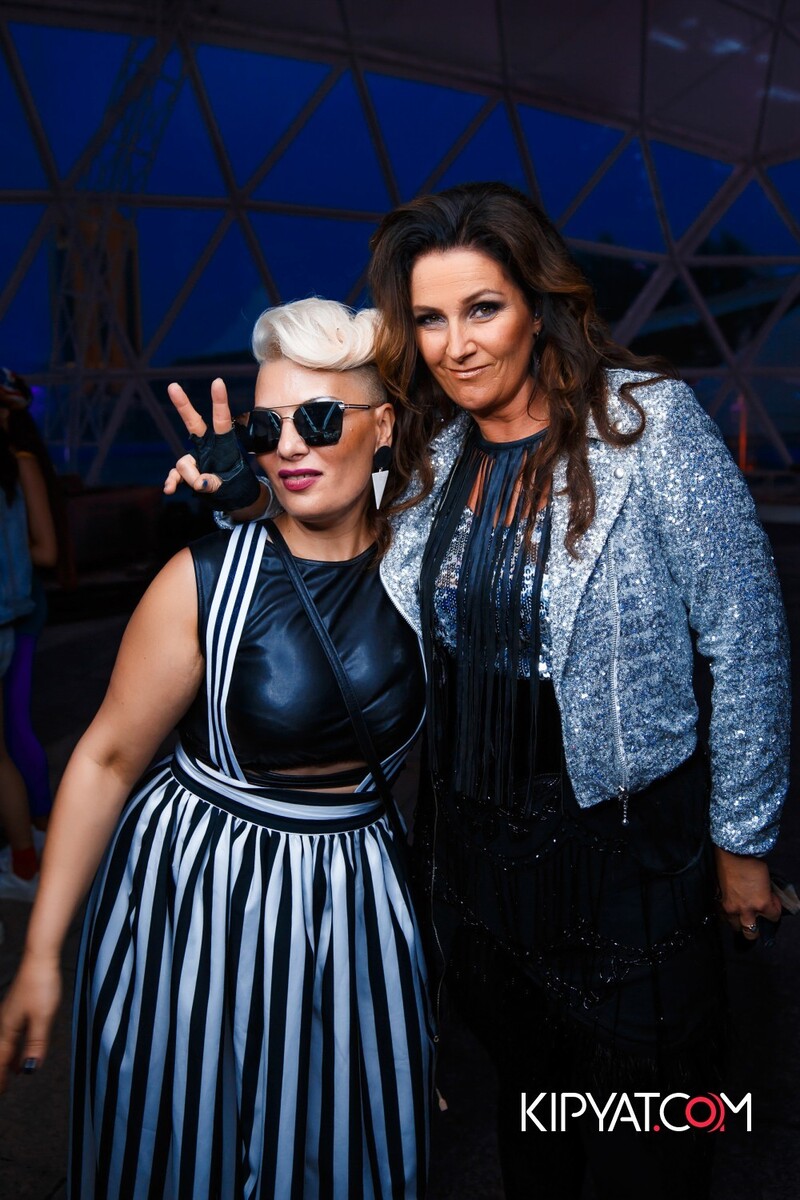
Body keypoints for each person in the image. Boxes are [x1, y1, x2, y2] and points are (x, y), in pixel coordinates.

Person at [177, 184, 789, 1200]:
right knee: (531, 1116)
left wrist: (743, 843)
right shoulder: (430, 452)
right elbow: (328, 515)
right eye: (429, 318)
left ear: (536, 306)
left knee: (653, 1132)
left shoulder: (647, 425)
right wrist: (243, 488)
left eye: (482, 308)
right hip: (473, 859)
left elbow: (747, 635)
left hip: (627, 854)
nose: (456, 345)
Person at [0, 300, 434, 1200]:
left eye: (321, 419)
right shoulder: (207, 579)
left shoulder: (429, 564)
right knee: (184, 1143)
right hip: (203, 896)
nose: (290, 446)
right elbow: (106, 758)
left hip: (355, 900)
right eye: (268, 428)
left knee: (341, 1147)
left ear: (385, 425)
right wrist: (41, 953)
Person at [0, 368, 69, 831]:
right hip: (15, 602)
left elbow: (46, 552)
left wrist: (8, 548)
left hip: (21, 608)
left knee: (14, 724)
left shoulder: (20, 462)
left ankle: (39, 827)